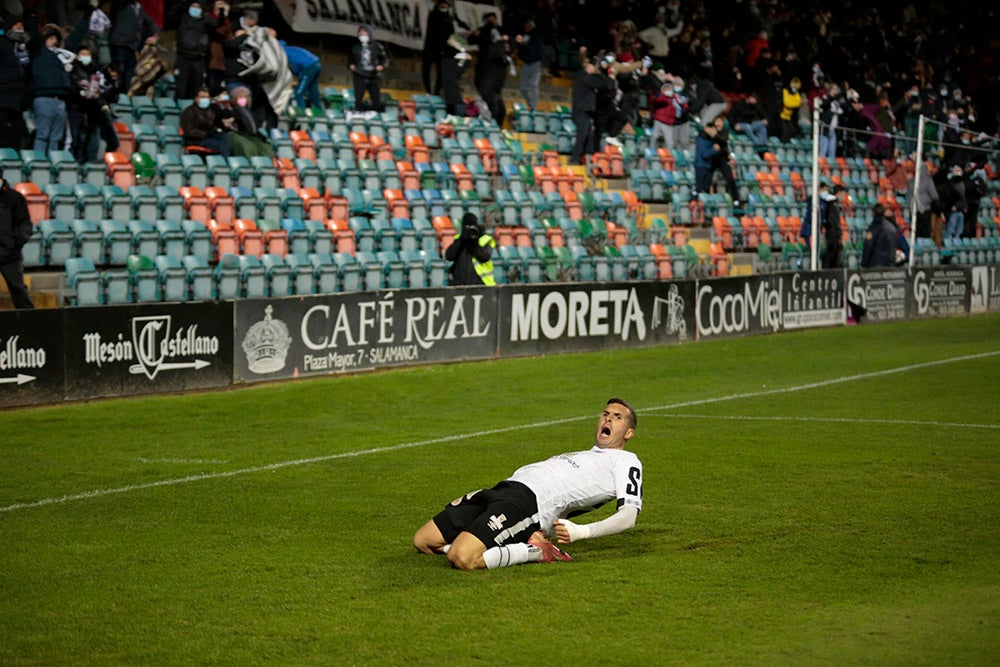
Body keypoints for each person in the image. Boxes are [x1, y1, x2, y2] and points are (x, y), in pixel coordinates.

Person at [413, 398, 642, 570]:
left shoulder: (626, 461)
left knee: (462, 557)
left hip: (527, 503)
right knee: (423, 541)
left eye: (617, 417)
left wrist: (582, 531)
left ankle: (534, 551)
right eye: (605, 413)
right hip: (502, 489)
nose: (608, 418)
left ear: (629, 433)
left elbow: (629, 516)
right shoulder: (588, 454)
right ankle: (520, 537)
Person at [31, 26, 72, 157]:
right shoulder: (38, 53)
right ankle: (39, 165)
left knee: (56, 138)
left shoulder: (61, 57)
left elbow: (75, 39)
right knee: (42, 135)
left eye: (56, 39)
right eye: (51, 38)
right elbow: (33, 40)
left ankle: (51, 167)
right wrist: (33, 19)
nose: (54, 41)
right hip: (43, 98)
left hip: (60, 100)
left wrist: (85, 21)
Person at [108, 0, 159, 93]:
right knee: (119, 72)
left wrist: (155, 35)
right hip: (119, 44)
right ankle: (115, 96)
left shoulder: (139, 8)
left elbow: (150, 22)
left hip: (132, 46)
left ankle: (127, 97)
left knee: (130, 75)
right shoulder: (121, 4)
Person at [173, 0, 220, 101]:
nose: (195, 9)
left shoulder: (206, 20)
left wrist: (221, 11)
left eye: (197, 7)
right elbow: (173, 12)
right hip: (183, 57)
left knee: (195, 88)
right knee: (180, 87)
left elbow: (217, 24)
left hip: (199, 59)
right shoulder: (182, 18)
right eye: (193, 6)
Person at [569, 55, 613, 165]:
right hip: (580, 111)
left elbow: (606, 85)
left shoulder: (589, 77)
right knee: (582, 134)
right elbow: (602, 84)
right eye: (593, 66)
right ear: (588, 65)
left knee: (589, 134)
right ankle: (574, 158)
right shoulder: (583, 76)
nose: (594, 69)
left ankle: (586, 157)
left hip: (586, 111)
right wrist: (604, 74)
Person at [0, 173, 35, 309]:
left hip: (10, 255)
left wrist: (17, 243)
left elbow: (25, 224)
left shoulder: (14, 198)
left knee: (18, 290)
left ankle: (30, 324)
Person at [0, 15, 30, 151]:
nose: (20, 28)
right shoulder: (2, 43)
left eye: (22, 25)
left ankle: (13, 160)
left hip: (19, 96)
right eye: (16, 25)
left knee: (17, 130)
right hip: (3, 92)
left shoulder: (25, 47)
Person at [444, 212, 495, 286]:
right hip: (460, 284)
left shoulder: (485, 239)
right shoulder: (459, 238)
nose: (469, 230)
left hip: (481, 284)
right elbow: (449, 256)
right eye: (466, 227)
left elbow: (485, 257)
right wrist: (462, 239)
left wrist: (473, 242)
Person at [348, 24, 389, 113]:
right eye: (360, 33)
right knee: (358, 99)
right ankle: (358, 114)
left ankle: (375, 116)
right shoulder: (355, 47)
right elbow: (350, 60)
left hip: (373, 75)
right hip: (359, 75)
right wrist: (351, 66)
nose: (362, 35)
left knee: (376, 100)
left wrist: (381, 66)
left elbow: (385, 60)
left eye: (364, 32)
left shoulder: (377, 46)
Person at [180, 86, 230, 156]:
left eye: (207, 97)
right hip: (196, 140)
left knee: (226, 138)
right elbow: (188, 131)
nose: (205, 99)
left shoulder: (211, 109)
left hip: (211, 136)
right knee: (221, 145)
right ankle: (225, 163)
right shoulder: (189, 111)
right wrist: (205, 134)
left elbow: (217, 122)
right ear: (196, 98)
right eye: (202, 97)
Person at [281, 41, 322, 110]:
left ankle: (302, 114)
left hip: (309, 67)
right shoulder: (291, 49)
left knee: (298, 93)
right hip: (317, 63)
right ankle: (321, 112)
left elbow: (294, 65)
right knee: (313, 92)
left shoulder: (284, 53)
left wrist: (296, 73)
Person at [514, 17, 543, 111]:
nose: (526, 26)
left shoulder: (537, 34)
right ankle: (531, 104)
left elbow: (534, 45)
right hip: (526, 63)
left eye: (528, 24)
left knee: (533, 84)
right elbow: (519, 46)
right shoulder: (521, 33)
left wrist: (523, 42)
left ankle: (534, 106)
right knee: (523, 87)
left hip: (536, 62)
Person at [728, 91, 768, 155]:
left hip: (750, 124)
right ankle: (758, 144)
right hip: (739, 125)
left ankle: (763, 144)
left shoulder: (755, 105)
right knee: (747, 127)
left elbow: (763, 114)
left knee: (761, 125)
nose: (754, 101)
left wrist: (765, 120)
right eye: (753, 99)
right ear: (749, 98)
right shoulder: (739, 104)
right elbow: (730, 115)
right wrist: (734, 125)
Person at [861, 203, 896, 268]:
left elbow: (868, 246)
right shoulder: (892, 227)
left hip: (875, 264)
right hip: (889, 264)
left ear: (873, 213)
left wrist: (863, 264)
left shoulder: (874, 228)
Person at [939, 164, 967, 242]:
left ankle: (956, 244)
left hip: (960, 209)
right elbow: (949, 197)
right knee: (950, 230)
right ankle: (947, 245)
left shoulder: (962, 184)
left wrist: (963, 206)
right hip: (951, 210)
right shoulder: (949, 184)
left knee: (959, 231)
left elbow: (963, 198)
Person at [779, 76, 802, 143]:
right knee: (784, 131)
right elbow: (787, 103)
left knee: (792, 130)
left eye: (796, 83)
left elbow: (798, 102)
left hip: (789, 116)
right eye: (794, 83)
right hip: (782, 114)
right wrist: (794, 103)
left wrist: (794, 104)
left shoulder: (796, 93)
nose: (795, 85)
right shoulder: (785, 90)